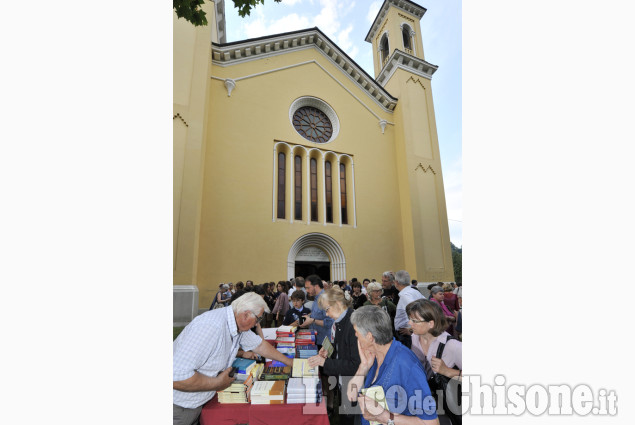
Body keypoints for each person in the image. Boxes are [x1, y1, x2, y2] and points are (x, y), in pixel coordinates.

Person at [173, 292, 293, 425]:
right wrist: (217, 383)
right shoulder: (210, 327)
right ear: (246, 314)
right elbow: (177, 377)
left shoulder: (236, 324)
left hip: (194, 404)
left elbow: (260, 345)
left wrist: (289, 362)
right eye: (258, 319)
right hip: (178, 407)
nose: (256, 324)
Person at [346, 306, 439, 425]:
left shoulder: (407, 366)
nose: (355, 336)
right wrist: (363, 366)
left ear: (370, 337)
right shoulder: (374, 355)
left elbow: (431, 422)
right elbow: (351, 396)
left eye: (356, 332)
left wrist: (386, 417)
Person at [308, 286, 361, 425]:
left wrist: (324, 363)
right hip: (345, 382)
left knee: (351, 419)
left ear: (338, 303)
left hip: (355, 384)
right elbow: (340, 349)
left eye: (327, 309)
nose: (326, 314)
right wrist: (328, 352)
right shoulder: (340, 321)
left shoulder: (352, 324)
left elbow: (355, 365)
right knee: (345, 416)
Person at [408, 299, 462, 425]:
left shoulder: (452, 346)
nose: (410, 323)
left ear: (431, 323)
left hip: (450, 407)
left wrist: (447, 371)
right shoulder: (414, 339)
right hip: (426, 403)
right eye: (410, 319)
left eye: (414, 321)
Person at [299, 274, 334, 349]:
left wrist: (313, 320)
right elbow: (318, 313)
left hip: (324, 342)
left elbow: (330, 322)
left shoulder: (325, 299)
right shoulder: (316, 298)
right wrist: (308, 316)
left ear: (316, 286)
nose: (306, 291)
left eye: (308, 288)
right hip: (317, 339)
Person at [394, 270, 424, 348]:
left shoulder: (405, 295)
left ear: (396, 282)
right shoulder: (415, 292)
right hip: (412, 332)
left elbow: (416, 311)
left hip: (406, 334)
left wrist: (410, 329)